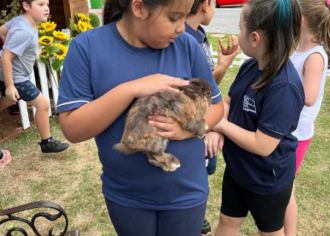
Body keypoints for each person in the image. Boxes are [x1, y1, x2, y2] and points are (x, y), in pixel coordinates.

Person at [57, 0, 224, 235]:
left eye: (185, 17)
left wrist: (190, 129)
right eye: (174, 18)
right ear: (139, 8)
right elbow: (73, 129)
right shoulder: (87, 47)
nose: (182, 28)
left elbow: (216, 107)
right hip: (127, 195)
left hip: (186, 190)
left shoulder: (187, 45)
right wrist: (130, 89)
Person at [204, 0, 304, 235]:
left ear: (255, 38)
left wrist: (220, 125)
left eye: (240, 28)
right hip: (238, 168)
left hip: (267, 180)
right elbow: (229, 102)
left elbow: (263, 145)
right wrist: (218, 129)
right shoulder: (250, 66)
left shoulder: (284, 87)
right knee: (227, 220)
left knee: (269, 231)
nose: (238, 34)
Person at [283, 0, 330, 235]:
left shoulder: (315, 56)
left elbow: (308, 96)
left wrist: (279, 90)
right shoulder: (300, 49)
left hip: (297, 134)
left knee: (286, 189)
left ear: (302, 20)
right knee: (284, 187)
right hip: (288, 128)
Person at [185, 0, 239, 235]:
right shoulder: (182, 40)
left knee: (202, 172)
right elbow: (190, 95)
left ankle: (197, 216)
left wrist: (222, 67)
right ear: (205, 4)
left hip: (204, 124)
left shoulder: (200, 36)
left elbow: (207, 90)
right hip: (190, 127)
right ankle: (193, 218)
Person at [0, 0, 69, 153]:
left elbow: (1, 31)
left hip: (8, 73)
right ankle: (47, 142)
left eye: (47, 4)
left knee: (10, 99)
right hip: (15, 76)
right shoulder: (23, 31)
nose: (46, 9)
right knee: (43, 105)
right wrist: (10, 85)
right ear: (26, 6)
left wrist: (14, 48)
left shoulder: (20, 21)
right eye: (41, 4)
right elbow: (6, 58)